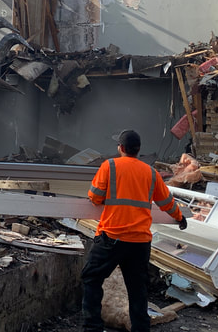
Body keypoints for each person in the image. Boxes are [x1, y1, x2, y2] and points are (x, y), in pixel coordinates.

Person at [81, 129, 187, 332]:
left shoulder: (109, 166)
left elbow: (94, 196)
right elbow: (167, 202)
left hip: (112, 237)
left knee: (92, 278)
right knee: (137, 289)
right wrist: (180, 218)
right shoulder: (151, 173)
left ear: (121, 148)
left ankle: (92, 327)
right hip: (139, 242)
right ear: (139, 150)